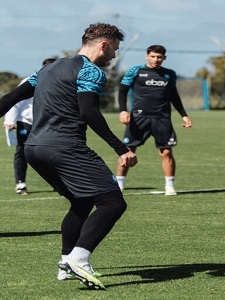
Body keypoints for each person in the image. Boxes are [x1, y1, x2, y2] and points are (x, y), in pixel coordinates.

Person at [0, 22, 137, 290]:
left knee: (82, 200)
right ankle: (79, 258)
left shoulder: (48, 68)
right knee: (113, 203)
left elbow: (12, 97)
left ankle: (66, 263)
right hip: (65, 146)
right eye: (114, 50)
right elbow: (89, 112)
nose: (113, 56)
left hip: (34, 150)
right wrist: (121, 148)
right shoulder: (91, 71)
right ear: (103, 44)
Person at [115, 44, 192, 196]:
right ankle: (119, 185)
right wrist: (123, 110)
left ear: (164, 58)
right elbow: (122, 91)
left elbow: (174, 96)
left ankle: (169, 186)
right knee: (128, 152)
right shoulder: (135, 71)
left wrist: (184, 115)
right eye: (153, 56)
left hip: (162, 118)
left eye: (159, 57)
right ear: (147, 56)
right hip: (138, 118)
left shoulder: (169, 74)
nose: (156, 60)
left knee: (166, 153)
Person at [3, 58, 56, 195]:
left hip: (46, 122)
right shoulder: (31, 81)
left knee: (51, 151)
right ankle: (21, 183)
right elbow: (15, 101)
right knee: (22, 151)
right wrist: (9, 120)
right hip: (26, 121)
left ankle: (57, 182)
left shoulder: (59, 82)